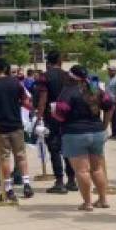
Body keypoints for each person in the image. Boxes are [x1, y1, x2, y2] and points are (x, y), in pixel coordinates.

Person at [53, 66, 112, 211]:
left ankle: (87, 203)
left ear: (71, 77)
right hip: (97, 132)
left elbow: (61, 114)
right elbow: (110, 105)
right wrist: (104, 125)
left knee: (82, 171)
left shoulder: (68, 92)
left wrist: (53, 113)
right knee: (97, 169)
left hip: (75, 133)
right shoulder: (95, 89)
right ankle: (103, 199)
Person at [0, 58, 34, 201]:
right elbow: (25, 101)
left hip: (0, 126)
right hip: (16, 124)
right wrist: (33, 110)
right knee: (21, 155)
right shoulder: (16, 83)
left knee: (4, 157)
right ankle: (26, 184)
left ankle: (8, 188)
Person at [33, 50, 76, 194]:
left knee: (54, 148)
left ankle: (59, 181)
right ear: (60, 61)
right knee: (68, 148)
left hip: (51, 116)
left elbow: (43, 98)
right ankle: (71, 180)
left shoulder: (44, 77)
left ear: (48, 62)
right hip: (68, 116)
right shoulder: (68, 76)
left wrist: (38, 116)